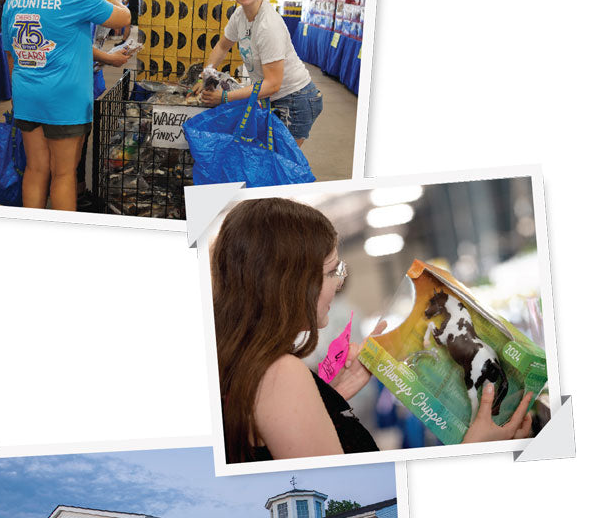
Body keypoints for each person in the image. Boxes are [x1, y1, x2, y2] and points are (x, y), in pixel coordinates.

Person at [211, 197, 534, 463]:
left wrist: (328, 399)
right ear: (288, 283)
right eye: (330, 271)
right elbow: (346, 497)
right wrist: (473, 450)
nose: (338, 283)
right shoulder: (280, 373)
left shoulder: (239, 363)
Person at [1, 0, 130, 210]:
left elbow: (10, 52)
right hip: (65, 98)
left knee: (36, 169)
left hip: (26, 92)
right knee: (63, 173)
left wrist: (18, 90)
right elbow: (125, 18)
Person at [200, 0, 323, 147]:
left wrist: (224, 97)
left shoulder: (268, 25)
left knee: (280, 163)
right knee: (265, 157)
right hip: (271, 97)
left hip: (295, 99)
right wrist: (206, 76)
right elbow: (222, 46)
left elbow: (273, 84)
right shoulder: (240, 15)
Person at [74, 0, 132, 208]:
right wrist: (109, 59)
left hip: (89, 75)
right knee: (72, 143)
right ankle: (73, 194)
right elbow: (75, 44)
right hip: (75, 79)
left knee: (82, 138)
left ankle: (79, 189)